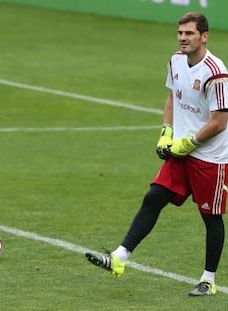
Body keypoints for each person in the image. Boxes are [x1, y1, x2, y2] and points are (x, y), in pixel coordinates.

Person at [85, 12, 228, 297]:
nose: (183, 38)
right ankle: (119, 257)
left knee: (211, 217)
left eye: (189, 33)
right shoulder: (175, 61)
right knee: (154, 197)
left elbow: (220, 121)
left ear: (204, 36)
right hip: (182, 151)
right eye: (180, 33)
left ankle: (208, 280)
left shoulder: (216, 72)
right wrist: (166, 131)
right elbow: (171, 97)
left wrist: (188, 143)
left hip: (211, 156)